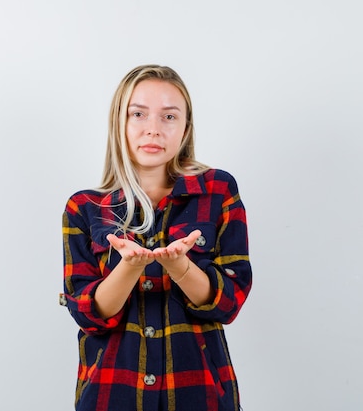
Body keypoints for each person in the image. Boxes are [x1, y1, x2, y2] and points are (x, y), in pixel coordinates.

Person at [59, 64, 253, 411]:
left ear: (185, 128)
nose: (153, 129)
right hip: (110, 395)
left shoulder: (218, 191)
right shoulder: (84, 208)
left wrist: (180, 268)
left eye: (169, 117)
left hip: (201, 396)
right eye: (139, 114)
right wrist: (129, 267)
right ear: (120, 121)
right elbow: (90, 314)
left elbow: (229, 302)